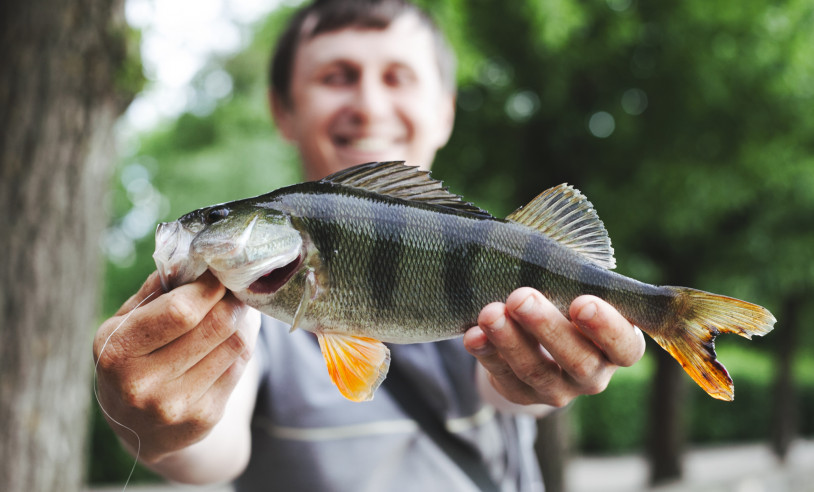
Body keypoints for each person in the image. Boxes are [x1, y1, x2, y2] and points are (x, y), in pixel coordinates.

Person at [93, 1, 646, 490]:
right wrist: (156, 426)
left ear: (445, 111)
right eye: (337, 76)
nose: (370, 104)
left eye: (398, 77)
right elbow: (213, 451)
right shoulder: (247, 319)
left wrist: (539, 373)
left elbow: (504, 390)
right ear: (283, 109)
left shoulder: (494, 251)